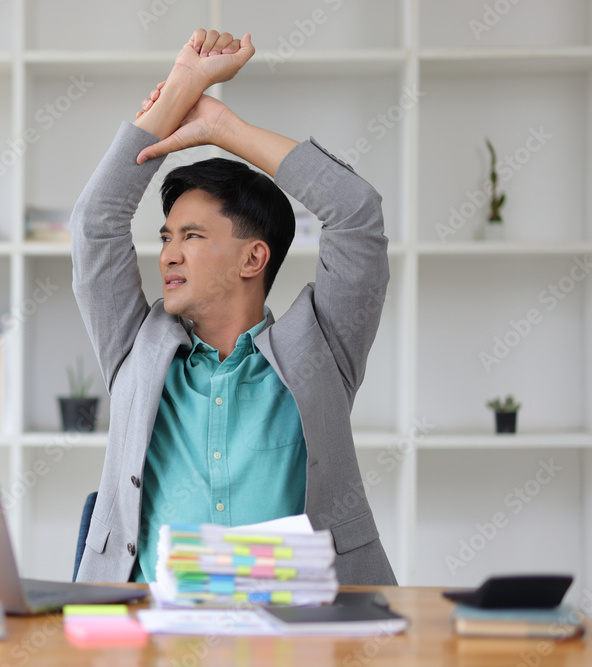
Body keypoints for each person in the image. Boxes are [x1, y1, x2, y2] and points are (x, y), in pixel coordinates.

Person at [71, 29, 396, 586]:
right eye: (166, 236)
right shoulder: (137, 346)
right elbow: (95, 224)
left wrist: (226, 130)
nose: (168, 254)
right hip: (152, 634)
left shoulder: (322, 347)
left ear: (253, 258)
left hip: (301, 629)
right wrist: (182, 87)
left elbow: (356, 215)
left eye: (191, 237)